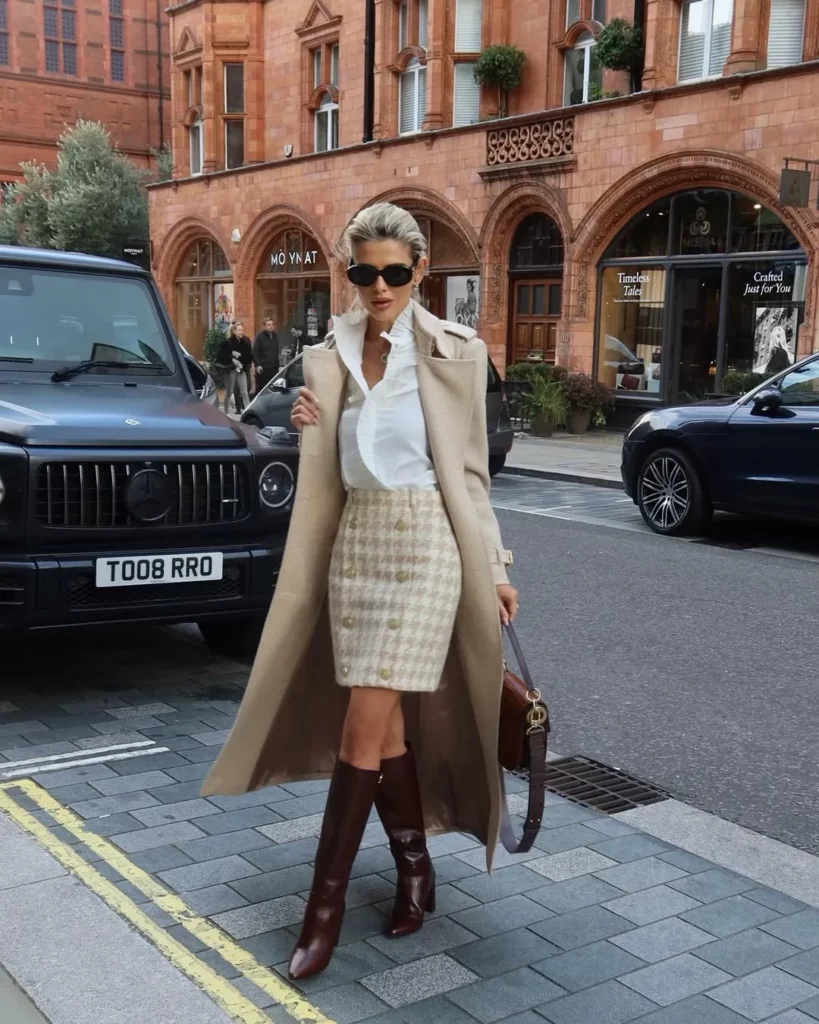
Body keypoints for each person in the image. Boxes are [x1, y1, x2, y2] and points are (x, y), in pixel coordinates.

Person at [201, 202, 518, 981]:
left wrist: (498, 566)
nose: (378, 286)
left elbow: (470, 477)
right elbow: (325, 455)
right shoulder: (328, 353)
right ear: (350, 273)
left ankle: (323, 915)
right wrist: (310, 421)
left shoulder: (455, 352)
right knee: (385, 736)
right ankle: (415, 872)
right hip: (356, 547)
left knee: (360, 727)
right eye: (363, 272)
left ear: (419, 272)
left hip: (424, 549)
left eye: (394, 272)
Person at [217, 321, 252, 414]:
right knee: (229, 392)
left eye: (242, 330)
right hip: (231, 370)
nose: (241, 332)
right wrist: (232, 358)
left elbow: (249, 356)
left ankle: (248, 412)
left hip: (241, 370)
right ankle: (226, 413)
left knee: (244, 392)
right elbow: (221, 356)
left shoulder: (245, 342)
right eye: (239, 330)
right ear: (234, 331)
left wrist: (242, 361)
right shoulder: (228, 342)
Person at [252, 317, 280, 393]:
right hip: (263, 368)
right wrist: (258, 365)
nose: (271, 326)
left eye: (272, 324)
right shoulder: (260, 337)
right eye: (268, 325)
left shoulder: (275, 335)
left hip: (274, 367)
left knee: (273, 388)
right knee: (262, 389)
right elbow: (255, 352)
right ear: (264, 326)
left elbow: (276, 350)